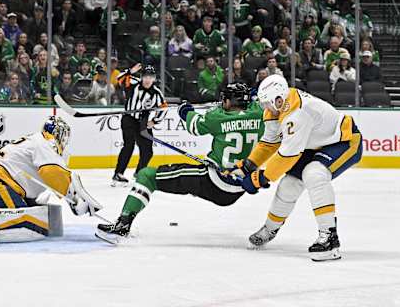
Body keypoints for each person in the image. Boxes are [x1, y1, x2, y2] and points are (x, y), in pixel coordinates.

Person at [95, 83, 264, 244]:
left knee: (147, 175)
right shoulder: (260, 115)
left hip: (214, 181)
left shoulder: (217, 118)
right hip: (240, 186)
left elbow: (194, 126)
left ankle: (122, 224)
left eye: (224, 99)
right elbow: (258, 107)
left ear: (229, 101)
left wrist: (185, 111)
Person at [236, 74, 363, 261]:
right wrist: (247, 166)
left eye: (267, 103)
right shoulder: (275, 109)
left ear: (278, 99)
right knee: (289, 183)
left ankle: (329, 237)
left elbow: (287, 155)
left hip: (344, 141)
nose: (266, 108)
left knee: (314, 174)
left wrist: (259, 179)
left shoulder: (297, 112)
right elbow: (270, 143)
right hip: (314, 145)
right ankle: (270, 229)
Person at [0, 116, 101, 244]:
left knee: (37, 214)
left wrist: (74, 199)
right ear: (59, 133)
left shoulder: (39, 140)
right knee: (24, 220)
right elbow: (51, 172)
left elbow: (55, 179)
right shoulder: (46, 143)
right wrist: (74, 199)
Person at [112, 64, 167, 186]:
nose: (148, 80)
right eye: (145, 76)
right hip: (129, 119)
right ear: (141, 77)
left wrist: (154, 121)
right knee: (129, 145)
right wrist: (130, 71)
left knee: (147, 151)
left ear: (154, 79)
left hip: (143, 122)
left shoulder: (156, 93)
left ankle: (139, 173)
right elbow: (119, 79)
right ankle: (118, 174)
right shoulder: (133, 83)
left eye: (150, 77)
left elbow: (163, 108)